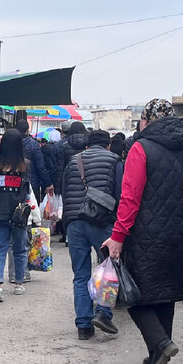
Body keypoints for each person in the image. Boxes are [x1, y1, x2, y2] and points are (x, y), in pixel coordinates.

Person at [102, 99, 183, 364]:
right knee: (166, 292)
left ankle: (161, 343)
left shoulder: (141, 148)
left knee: (131, 294)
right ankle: (158, 356)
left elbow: (130, 198)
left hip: (145, 232)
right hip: (179, 232)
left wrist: (118, 235)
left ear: (146, 121)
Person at [60, 129, 122, 339]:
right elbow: (120, 194)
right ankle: (103, 313)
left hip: (75, 221)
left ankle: (84, 326)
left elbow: (65, 191)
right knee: (109, 268)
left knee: (80, 274)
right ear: (108, 145)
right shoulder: (115, 160)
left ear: (87, 146)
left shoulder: (73, 161)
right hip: (102, 221)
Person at [0, 129, 31, 303]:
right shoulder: (24, 165)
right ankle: (19, 283)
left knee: (0, 248)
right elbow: (27, 191)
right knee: (19, 249)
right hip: (18, 214)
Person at [12, 111, 53, 200]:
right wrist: (48, 183)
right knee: (32, 207)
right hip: (32, 183)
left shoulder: (11, 144)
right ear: (27, 131)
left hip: (13, 182)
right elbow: (40, 167)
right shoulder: (34, 145)